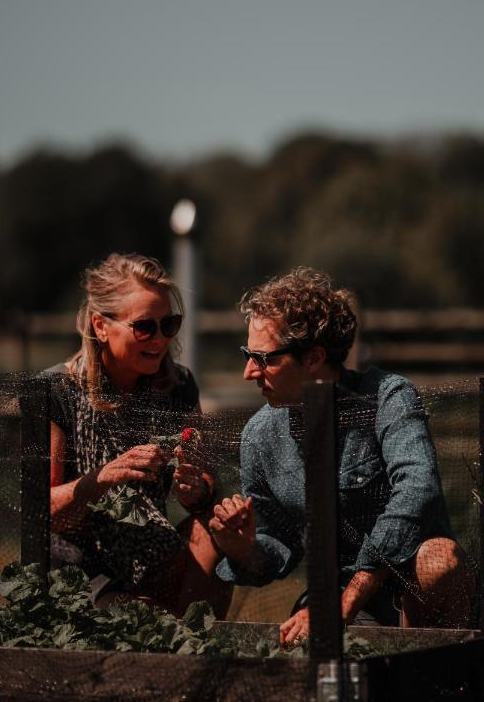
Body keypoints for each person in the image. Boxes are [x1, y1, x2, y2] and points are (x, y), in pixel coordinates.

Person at [210, 267, 473, 643]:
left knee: (440, 560)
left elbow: (418, 492)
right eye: (246, 354)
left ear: (314, 358)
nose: (248, 372)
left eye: (264, 358)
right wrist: (242, 550)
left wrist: (347, 598)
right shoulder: (259, 435)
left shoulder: (387, 397)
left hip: (406, 580)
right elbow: (278, 546)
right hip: (331, 593)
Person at [47, 252, 230, 617]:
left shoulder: (178, 385)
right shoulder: (57, 390)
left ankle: (198, 652)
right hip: (80, 567)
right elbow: (44, 512)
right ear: (101, 326)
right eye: (145, 327)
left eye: (169, 325)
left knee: (214, 530)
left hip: (154, 554)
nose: (159, 340)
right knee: (140, 620)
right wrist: (101, 479)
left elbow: (208, 481)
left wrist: (198, 490)